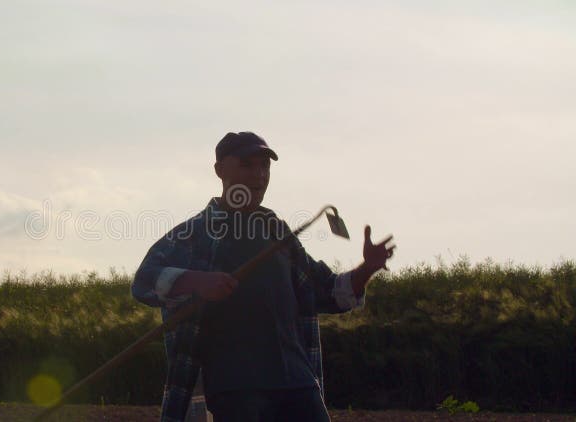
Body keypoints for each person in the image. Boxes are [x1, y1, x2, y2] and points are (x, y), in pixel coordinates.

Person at [131, 131, 396, 422]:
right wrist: (197, 281)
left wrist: (367, 268)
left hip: (297, 381)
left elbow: (328, 291)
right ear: (220, 171)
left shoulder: (277, 232)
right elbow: (144, 281)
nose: (258, 175)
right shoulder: (196, 232)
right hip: (235, 387)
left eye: (264, 166)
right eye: (247, 165)